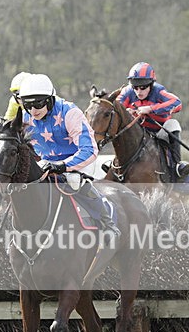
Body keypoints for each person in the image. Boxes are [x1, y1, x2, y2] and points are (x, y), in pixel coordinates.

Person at [17, 73, 120, 243]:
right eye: (28, 105)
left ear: (50, 100)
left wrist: (64, 166)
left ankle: (107, 223)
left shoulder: (69, 112)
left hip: (79, 161)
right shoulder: (26, 116)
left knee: (72, 181)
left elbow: (89, 149)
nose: (33, 110)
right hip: (46, 162)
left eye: (38, 104)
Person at [117, 61, 189, 182]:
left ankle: (178, 165)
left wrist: (151, 109)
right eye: (135, 87)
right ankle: (116, 164)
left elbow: (177, 103)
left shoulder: (158, 91)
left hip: (159, 130)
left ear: (151, 84)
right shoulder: (127, 92)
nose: (139, 91)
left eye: (143, 87)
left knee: (174, 124)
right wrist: (126, 111)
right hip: (138, 130)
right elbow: (117, 106)